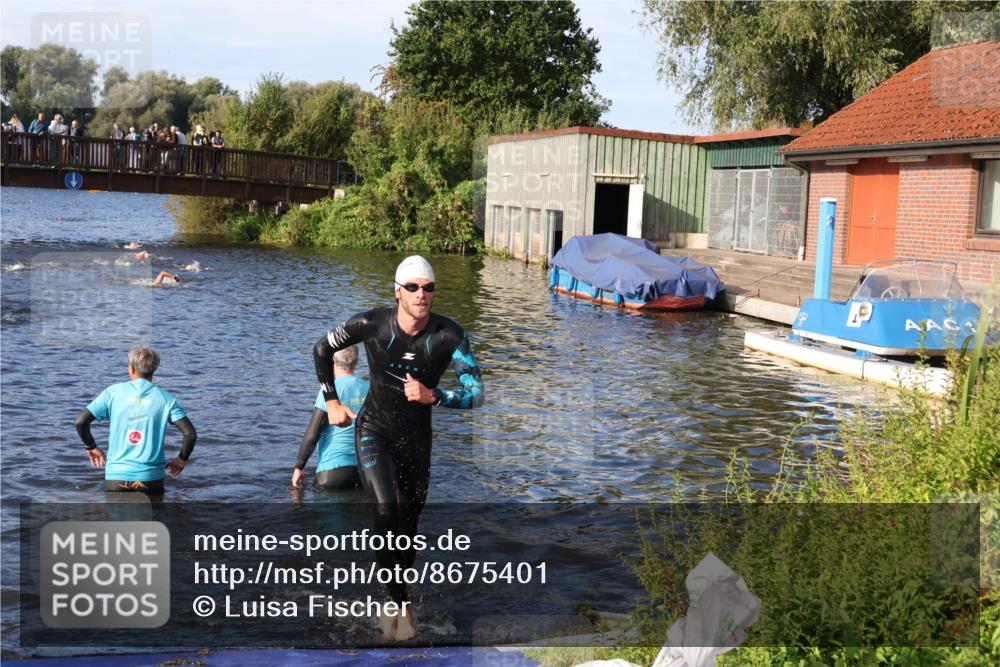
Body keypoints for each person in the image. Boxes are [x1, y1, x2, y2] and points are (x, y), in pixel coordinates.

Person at [313, 255, 484, 640]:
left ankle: (399, 595)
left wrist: (434, 395)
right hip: (373, 430)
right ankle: (394, 602)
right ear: (398, 292)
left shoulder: (450, 336)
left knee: (408, 527)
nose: (422, 294)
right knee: (386, 509)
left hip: (416, 440)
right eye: (413, 287)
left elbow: (477, 394)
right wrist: (332, 401)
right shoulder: (372, 323)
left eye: (428, 287)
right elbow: (321, 349)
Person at [75, 346, 197, 494]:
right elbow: (190, 434)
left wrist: (91, 447)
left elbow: (81, 422)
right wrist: (181, 460)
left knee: (117, 516)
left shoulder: (112, 392)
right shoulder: (166, 398)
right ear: (153, 371)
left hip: (117, 477)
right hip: (151, 478)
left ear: (131, 368)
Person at [293, 345, 369, 492]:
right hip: (365, 471)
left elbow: (312, 434)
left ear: (331, 361)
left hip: (332, 471)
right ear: (356, 361)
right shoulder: (368, 387)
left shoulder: (329, 391)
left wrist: (299, 468)